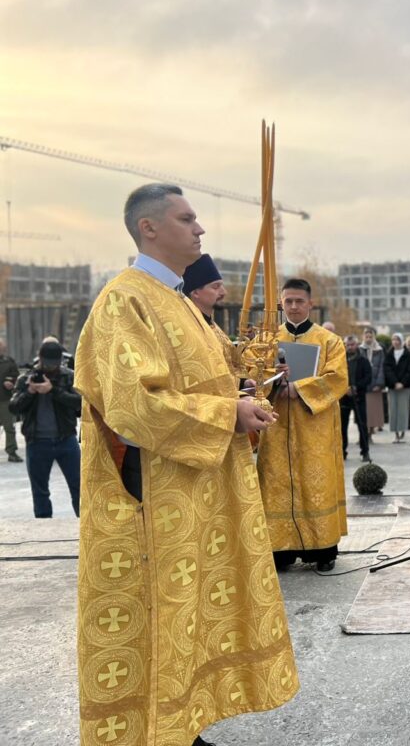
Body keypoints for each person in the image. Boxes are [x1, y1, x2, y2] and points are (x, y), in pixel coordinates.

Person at [74, 183, 294, 746]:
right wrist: (227, 413)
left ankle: (181, 728)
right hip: (155, 499)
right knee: (161, 615)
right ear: (148, 228)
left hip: (195, 491)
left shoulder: (178, 301)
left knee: (191, 615)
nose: (199, 229)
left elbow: (210, 382)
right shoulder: (125, 300)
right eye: (187, 219)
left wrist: (243, 394)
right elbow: (132, 406)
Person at [258, 277, 349, 573]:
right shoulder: (268, 340)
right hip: (277, 423)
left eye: (299, 301)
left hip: (315, 426)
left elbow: (338, 379)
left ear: (310, 303)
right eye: (289, 301)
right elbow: (254, 377)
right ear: (280, 304)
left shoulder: (329, 340)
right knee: (277, 480)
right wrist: (273, 379)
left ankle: (322, 548)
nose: (294, 306)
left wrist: (299, 388)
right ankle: (280, 549)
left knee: (316, 481)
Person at [9, 339, 81, 517]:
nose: (51, 368)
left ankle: (83, 524)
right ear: (40, 359)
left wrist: (53, 390)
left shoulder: (68, 376)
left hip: (66, 439)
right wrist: (30, 392)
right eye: (47, 364)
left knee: (79, 487)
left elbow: (80, 404)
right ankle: (43, 524)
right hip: (37, 442)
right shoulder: (26, 378)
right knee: (40, 491)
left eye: (54, 364)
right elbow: (14, 407)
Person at [182, 253, 245, 379]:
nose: (223, 292)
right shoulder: (189, 329)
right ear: (195, 293)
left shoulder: (211, 324)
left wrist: (244, 383)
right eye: (216, 287)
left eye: (222, 286)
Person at [342, 335, 372, 461]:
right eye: (348, 345)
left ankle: (365, 451)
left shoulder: (363, 360)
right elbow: (336, 376)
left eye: (352, 344)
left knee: (362, 425)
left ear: (357, 344)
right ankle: (342, 451)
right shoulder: (340, 360)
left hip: (359, 396)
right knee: (342, 426)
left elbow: (368, 377)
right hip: (343, 397)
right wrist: (345, 388)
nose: (350, 347)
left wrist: (356, 387)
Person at [383, 332, 410, 443]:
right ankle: (396, 433)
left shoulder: (407, 354)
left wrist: (402, 383)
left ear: (401, 341)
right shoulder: (389, 354)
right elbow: (387, 370)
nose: (395, 342)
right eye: (393, 340)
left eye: (397, 340)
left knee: (403, 410)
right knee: (393, 410)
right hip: (392, 386)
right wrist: (395, 382)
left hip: (404, 386)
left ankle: (402, 431)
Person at [359, 327, 386, 434]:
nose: (368, 339)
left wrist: (379, 383)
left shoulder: (379, 350)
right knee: (364, 409)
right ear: (363, 337)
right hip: (363, 384)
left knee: (374, 409)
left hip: (375, 383)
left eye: (370, 337)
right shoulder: (360, 349)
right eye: (367, 337)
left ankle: (372, 430)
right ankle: (365, 432)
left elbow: (382, 367)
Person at [0, 340, 22, 462]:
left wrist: (11, 382)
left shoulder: (9, 362)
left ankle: (12, 451)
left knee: (9, 427)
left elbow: (16, 376)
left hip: (5, 399)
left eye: (2, 347)